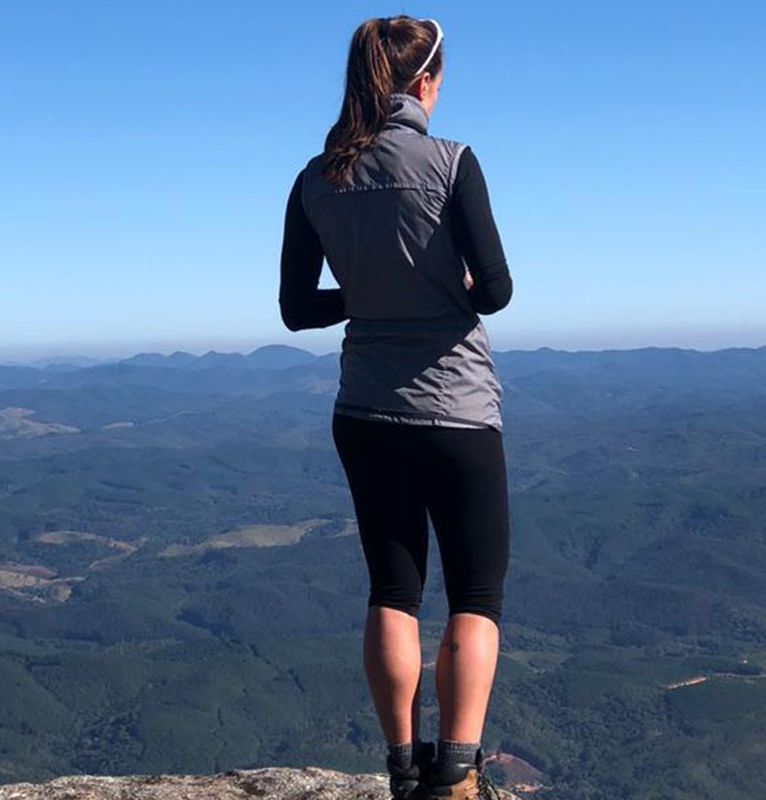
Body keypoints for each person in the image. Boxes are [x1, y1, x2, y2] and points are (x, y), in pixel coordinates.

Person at [277, 14, 512, 800]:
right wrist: (435, 290)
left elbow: (297, 309)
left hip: (366, 411)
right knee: (474, 595)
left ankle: (402, 766)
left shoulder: (317, 178)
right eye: (441, 81)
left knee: (392, 589)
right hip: (457, 409)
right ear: (424, 83)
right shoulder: (452, 164)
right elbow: (499, 289)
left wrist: (370, 292)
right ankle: (458, 771)